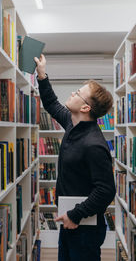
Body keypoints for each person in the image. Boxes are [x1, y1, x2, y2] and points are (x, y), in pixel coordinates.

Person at [34, 54, 116, 261]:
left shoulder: (94, 144)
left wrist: (75, 214)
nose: (72, 93)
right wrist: (42, 76)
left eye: (78, 93)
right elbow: (52, 104)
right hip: (70, 220)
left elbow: (106, 190)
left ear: (85, 108)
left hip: (84, 228)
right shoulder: (73, 125)